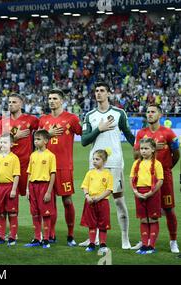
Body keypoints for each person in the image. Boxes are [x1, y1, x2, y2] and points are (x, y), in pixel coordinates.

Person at [80, 81, 135, 249]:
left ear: (109, 93)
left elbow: (129, 135)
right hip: (95, 164)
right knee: (93, 202)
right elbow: (84, 141)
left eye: (102, 90)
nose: (99, 93)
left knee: (118, 201)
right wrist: (99, 129)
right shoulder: (89, 115)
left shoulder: (119, 113)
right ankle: (94, 238)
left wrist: (141, 150)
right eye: (96, 91)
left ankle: (125, 239)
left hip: (115, 163)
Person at [133, 104, 180, 253]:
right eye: (147, 111)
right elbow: (135, 155)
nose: (150, 114)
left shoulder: (169, 133)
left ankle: (173, 241)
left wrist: (167, 168)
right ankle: (145, 240)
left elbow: (176, 153)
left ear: (159, 114)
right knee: (145, 209)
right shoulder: (141, 133)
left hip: (164, 176)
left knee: (169, 209)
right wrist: (152, 150)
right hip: (145, 177)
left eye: (153, 112)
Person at [39, 88, 82, 246]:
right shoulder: (43, 120)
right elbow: (36, 141)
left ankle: (71, 235)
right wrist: (47, 134)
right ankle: (51, 233)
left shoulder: (71, 118)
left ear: (62, 101)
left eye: (55, 98)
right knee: (49, 202)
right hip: (45, 166)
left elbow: (84, 134)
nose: (51, 101)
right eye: (49, 98)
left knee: (67, 201)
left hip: (64, 166)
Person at [1, 93, 39, 199]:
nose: (11, 104)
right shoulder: (3, 122)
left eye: (14, 102)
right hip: (9, 164)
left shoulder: (31, 119)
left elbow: (42, 132)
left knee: (32, 196)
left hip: (26, 164)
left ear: (21, 104)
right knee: (11, 198)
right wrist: (15, 137)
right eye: (9, 102)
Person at [130, 138, 164, 255]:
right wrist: (135, 191)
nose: (143, 151)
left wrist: (151, 193)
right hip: (139, 193)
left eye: (146, 148)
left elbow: (160, 181)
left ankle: (151, 246)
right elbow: (131, 178)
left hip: (152, 193)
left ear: (153, 149)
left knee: (153, 219)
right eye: (141, 149)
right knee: (143, 219)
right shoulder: (136, 163)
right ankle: (144, 245)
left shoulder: (157, 164)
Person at [24, 130, 56, 249]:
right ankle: (37, 238)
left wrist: (48, 191)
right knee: (35, 213)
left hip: (44, 186)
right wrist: (27, 189)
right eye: (35, 139)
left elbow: (53, 174)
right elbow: (29, 172)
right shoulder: (33, 155)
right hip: (33, 186)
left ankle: (46, 239)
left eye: (38, 139)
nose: (35, 141)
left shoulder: (50, 156)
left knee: (46, 214)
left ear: (46, 141)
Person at [0, 134, 20, 246]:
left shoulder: (14, 158)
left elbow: (16, 175)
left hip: (9, 187)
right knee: (0, 213)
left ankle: (12, 237)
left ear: (11, 144)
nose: (2, 144)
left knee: (12, 213)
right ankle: (1, 237)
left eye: (5, 142)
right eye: (1, 142)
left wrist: (13, 190)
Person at [80, 149, 113, 254]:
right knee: (92, 224)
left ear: (104, 161)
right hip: (90, 202)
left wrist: (99, 198)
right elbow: (85, 186)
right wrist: (87, 196)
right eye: (93, 159)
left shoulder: (108, 174)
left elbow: (109, 190)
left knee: (103, 224)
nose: (94, 161)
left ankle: (103, 244)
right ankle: (92, 243)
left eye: (97, 159)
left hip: (102, 202)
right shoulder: (90, 173)